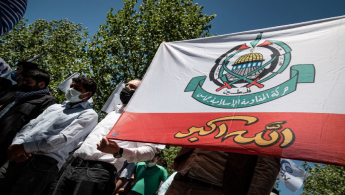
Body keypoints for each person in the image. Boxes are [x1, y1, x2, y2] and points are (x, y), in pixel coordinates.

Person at [51, 79, 156, 195]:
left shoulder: (143, 119)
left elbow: (150, 152)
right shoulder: (113, 113)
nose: (126, 88)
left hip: (97, 172)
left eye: (132, 87)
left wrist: (119, 151)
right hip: (72, 165)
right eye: (126, 85)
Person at [0, 76, 98, 195]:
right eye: (71, 86)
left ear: (87, 94)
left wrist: (24, 147)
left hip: (42, 164)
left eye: (77, 88)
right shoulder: (54, 107)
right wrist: (16, 144)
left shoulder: (89, 115)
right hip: (19, 154)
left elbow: (61, 139)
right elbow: (30, 125)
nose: (71, 90)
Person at [0, 69, 58, 166]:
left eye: (28, 82)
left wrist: (21, 147)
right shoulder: (17, 94)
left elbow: (37, 127)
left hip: (6, 146)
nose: (24, 83)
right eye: (24, 81)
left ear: (41, 84)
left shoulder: (48, 101)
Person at [165, 148, 281, 195]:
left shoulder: (267, 112)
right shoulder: (213, 104)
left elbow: (268, 166)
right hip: (179, 182)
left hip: (216, 189)